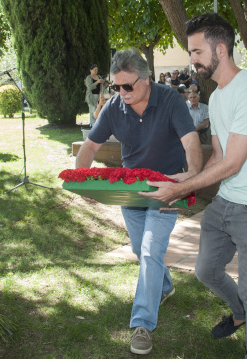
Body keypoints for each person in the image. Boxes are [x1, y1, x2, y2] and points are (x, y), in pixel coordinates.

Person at [144, 13, 247, 358]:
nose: (191, 60)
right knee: (206, 270)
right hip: (227, 200)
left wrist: (180, 192)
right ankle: (239, 315)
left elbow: (233, 163)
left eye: (195, 52)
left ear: (220, 49)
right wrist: (188, 180)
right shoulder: (219, 95)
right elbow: (220, 154)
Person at [75, 49, 203, 355]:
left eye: (127, 86)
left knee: (149, 251)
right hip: (130, 192)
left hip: (165, 189)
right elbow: (90, 146)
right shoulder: (115, 107)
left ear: (145, 80)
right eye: (116, 87)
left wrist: (191, 178)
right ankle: (165, 285)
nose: (121, 93)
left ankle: (142, 324)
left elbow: (191, 142)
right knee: (140, 250)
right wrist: (82, 180)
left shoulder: (171, 100)